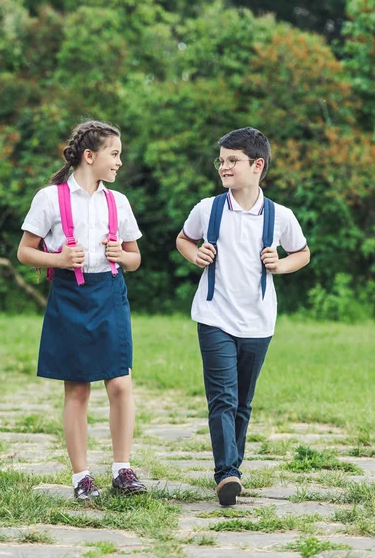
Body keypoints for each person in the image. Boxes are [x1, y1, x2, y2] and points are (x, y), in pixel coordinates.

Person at [176, 127, 310, 506]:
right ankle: (227, 474)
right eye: (221, 161)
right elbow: (183, 239)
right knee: (222, 397)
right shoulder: (208, 209)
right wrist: (195, 254)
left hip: (258, 321)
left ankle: (233, 466)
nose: (224, 167)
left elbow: (302, 252)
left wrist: (281, 265)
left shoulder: (280, 216)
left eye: (232, 160)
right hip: (214, 314)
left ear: (257, 165)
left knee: (242, 402)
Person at [17, 120, 146, 499]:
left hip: (109, 292)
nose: (119, 161)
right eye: (115, 153)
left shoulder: (117, 202)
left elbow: (135, 259)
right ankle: (81, 477)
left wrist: (121, 254)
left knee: (120, 383)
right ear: (90, 156)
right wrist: (56, 259)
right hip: (70, 297)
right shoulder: (49, 198)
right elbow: (25, 252)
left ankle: (122, 470)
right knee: (77, 389)